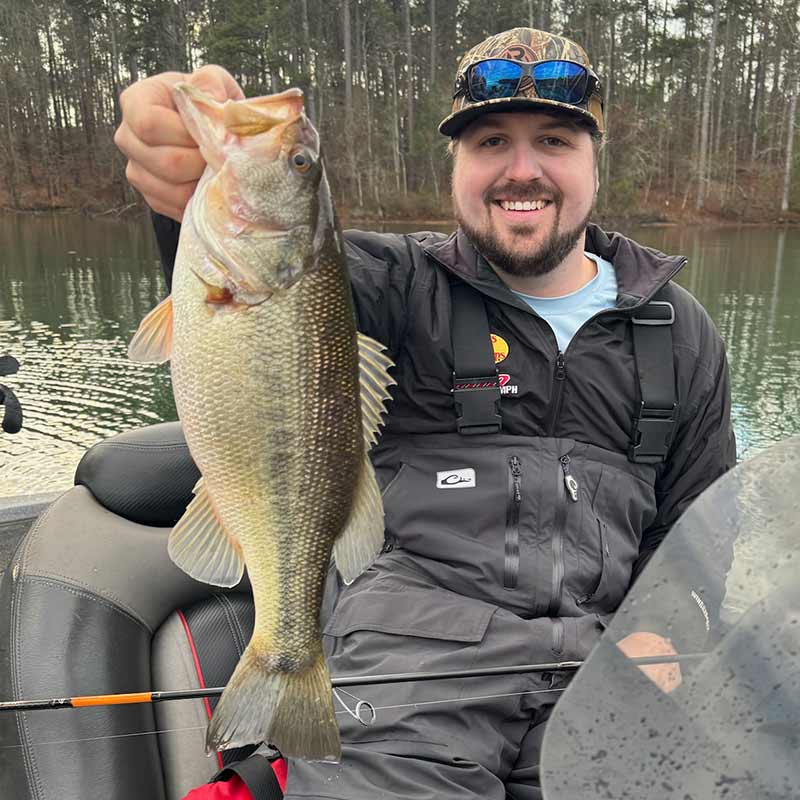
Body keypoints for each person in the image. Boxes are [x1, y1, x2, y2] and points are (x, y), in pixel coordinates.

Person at [114, 27, 735, 800]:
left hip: (600, 674)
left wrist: (665, 629)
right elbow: (256, 315)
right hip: (406, 682)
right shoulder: (385, 285)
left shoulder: (676, 332)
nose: (522, 169)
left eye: (553, 139)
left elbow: (701, 532)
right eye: (489, 142)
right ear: (457, 165)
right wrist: (177, 172)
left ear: (593, 160)